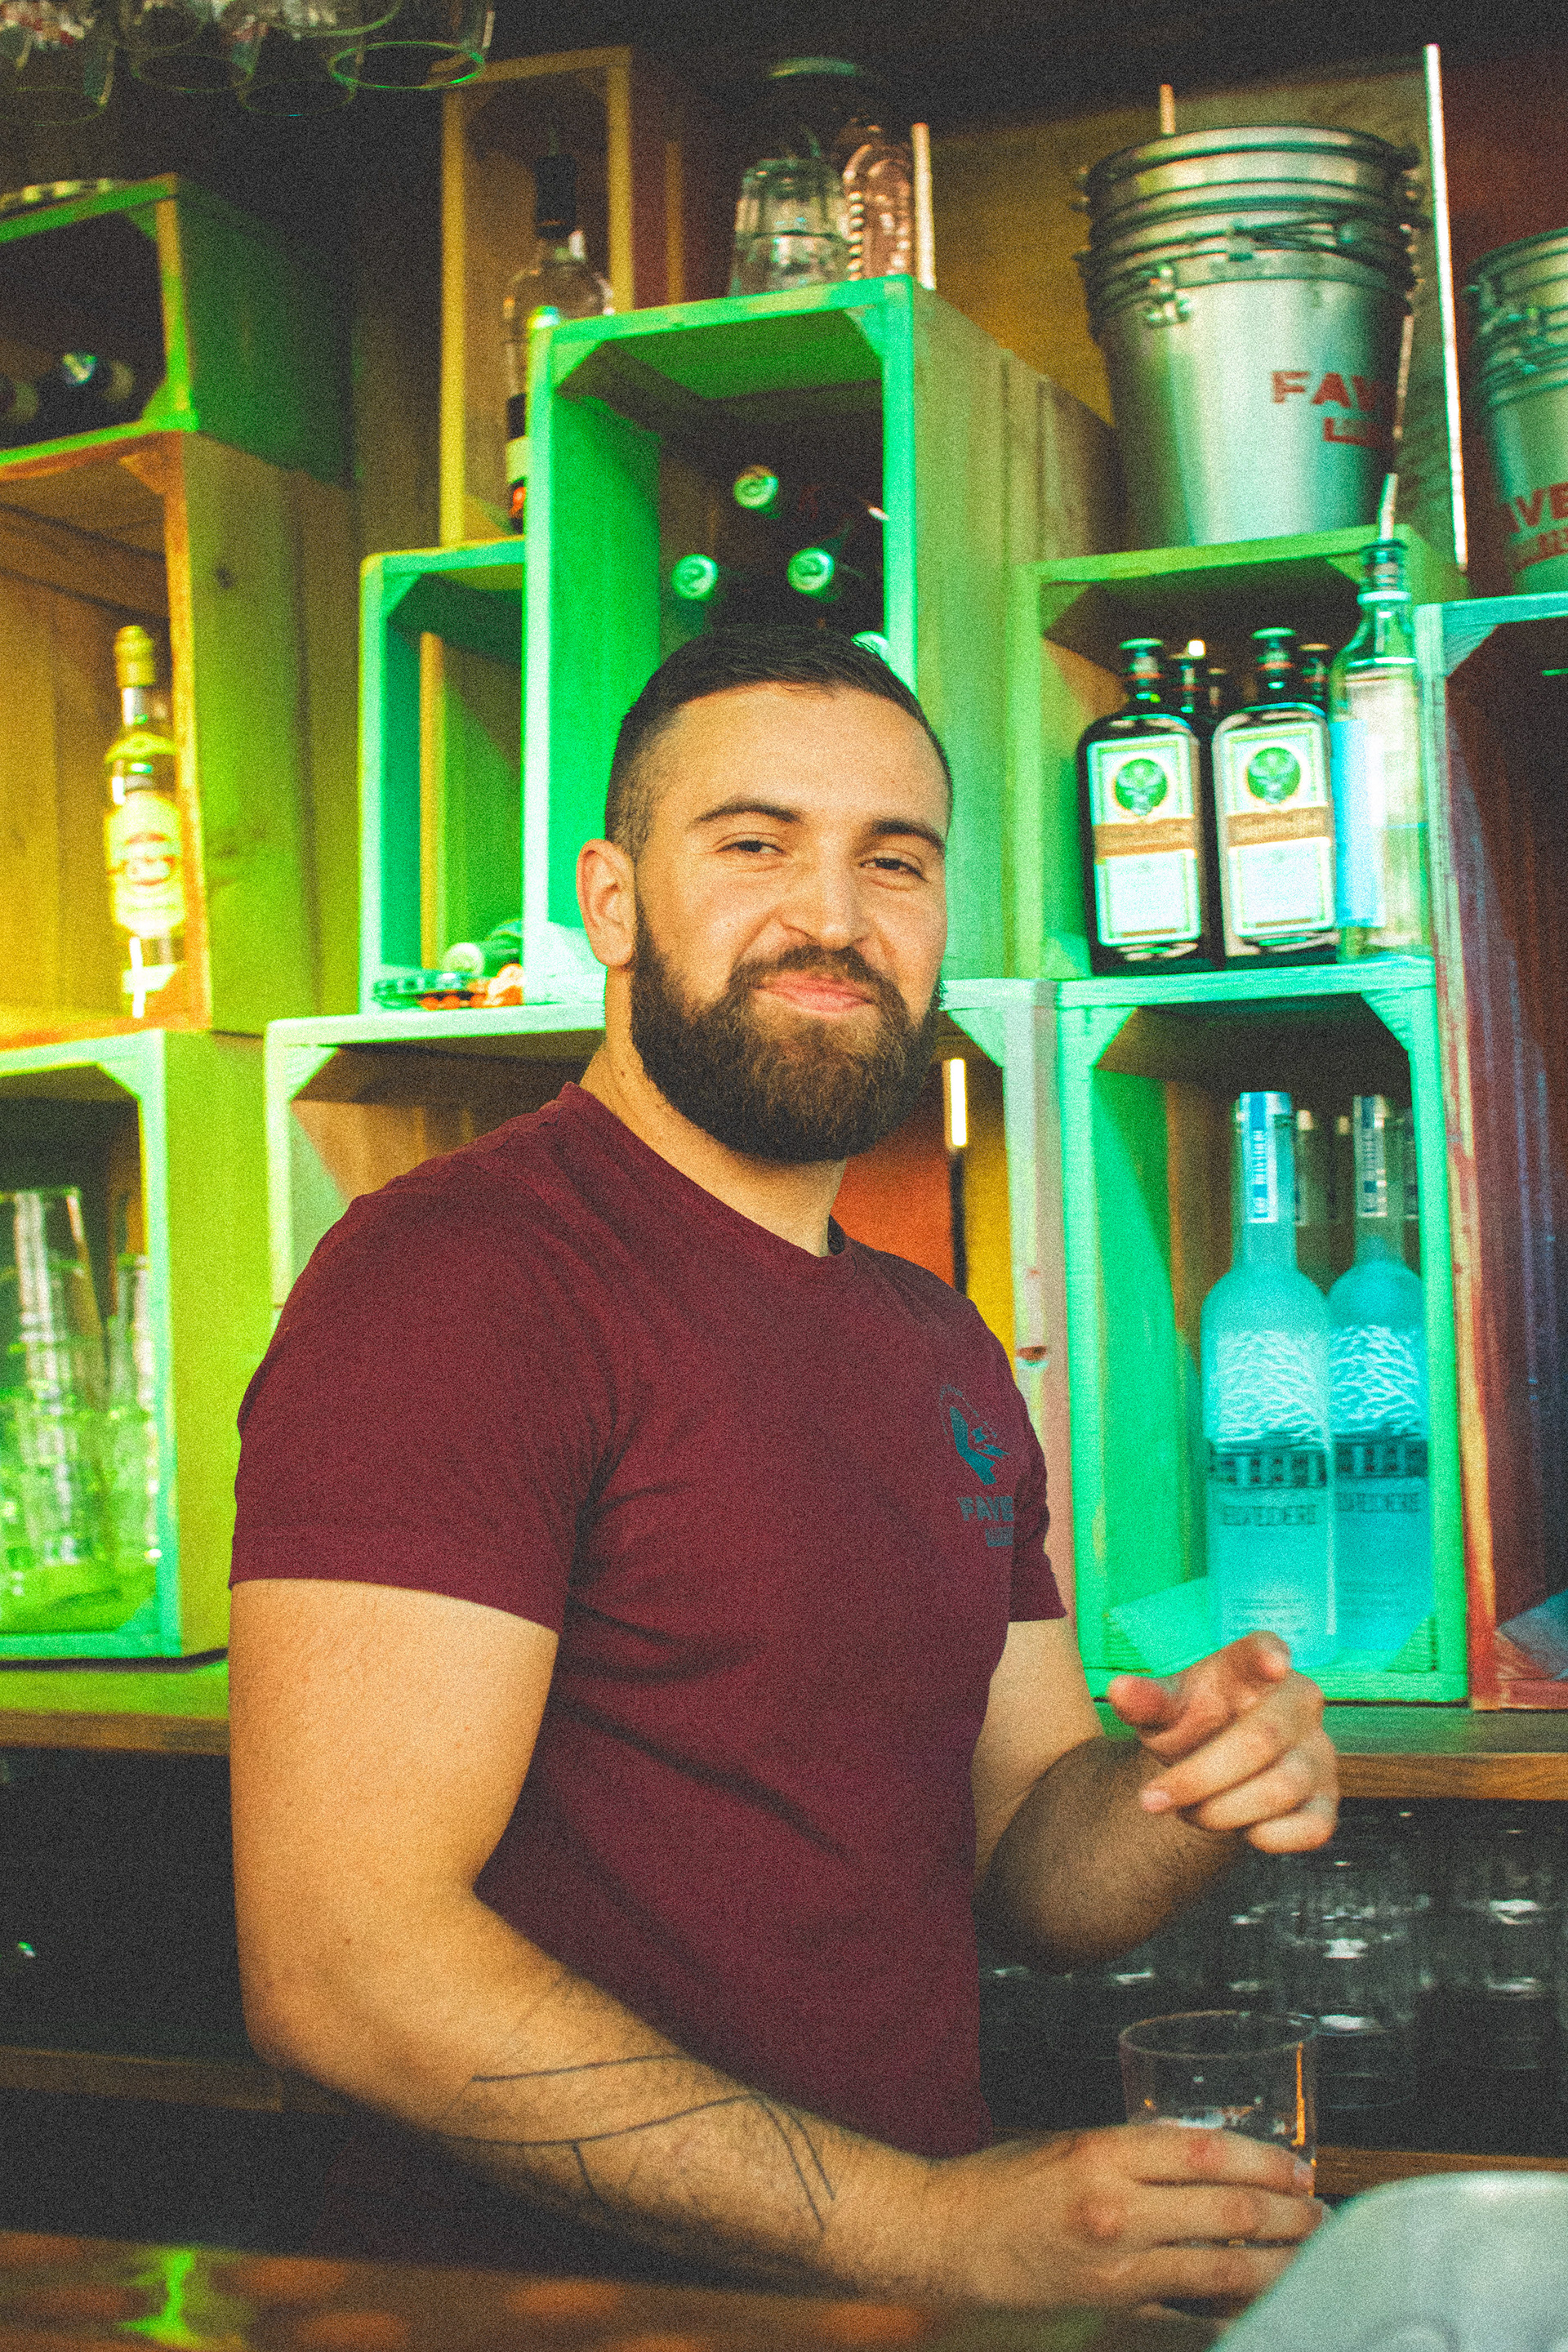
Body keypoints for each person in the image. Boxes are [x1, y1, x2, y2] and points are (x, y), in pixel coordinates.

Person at [229, 628, 1337, 2312]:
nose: (833, 916)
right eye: (754, 844)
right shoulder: (461, 1281)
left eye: (894, 861)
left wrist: (1190, 1786)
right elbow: (340, 1968)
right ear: (613, 903)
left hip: (877, 2303)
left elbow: (1027, 1858)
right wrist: (927, 2227)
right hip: (551, 2313)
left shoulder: (936, 1343)